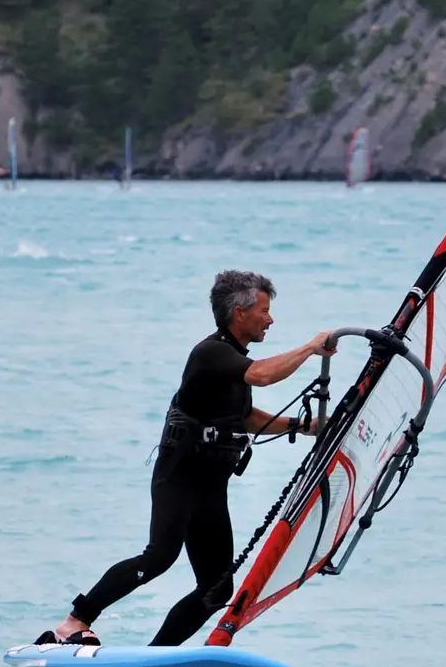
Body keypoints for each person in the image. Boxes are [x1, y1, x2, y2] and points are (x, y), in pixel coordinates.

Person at [38, 270, 333, 647]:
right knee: (159, 556)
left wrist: (302, 425)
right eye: (264, 310)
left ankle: (155, 659)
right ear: (239, 313)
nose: (270, 319)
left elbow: (244, 417)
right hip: (181, 473)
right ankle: (74, 623)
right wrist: (310, 347)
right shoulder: (211, 353)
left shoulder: (232, 362)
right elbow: (260, 376)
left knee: (216, 586)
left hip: (210, 483)